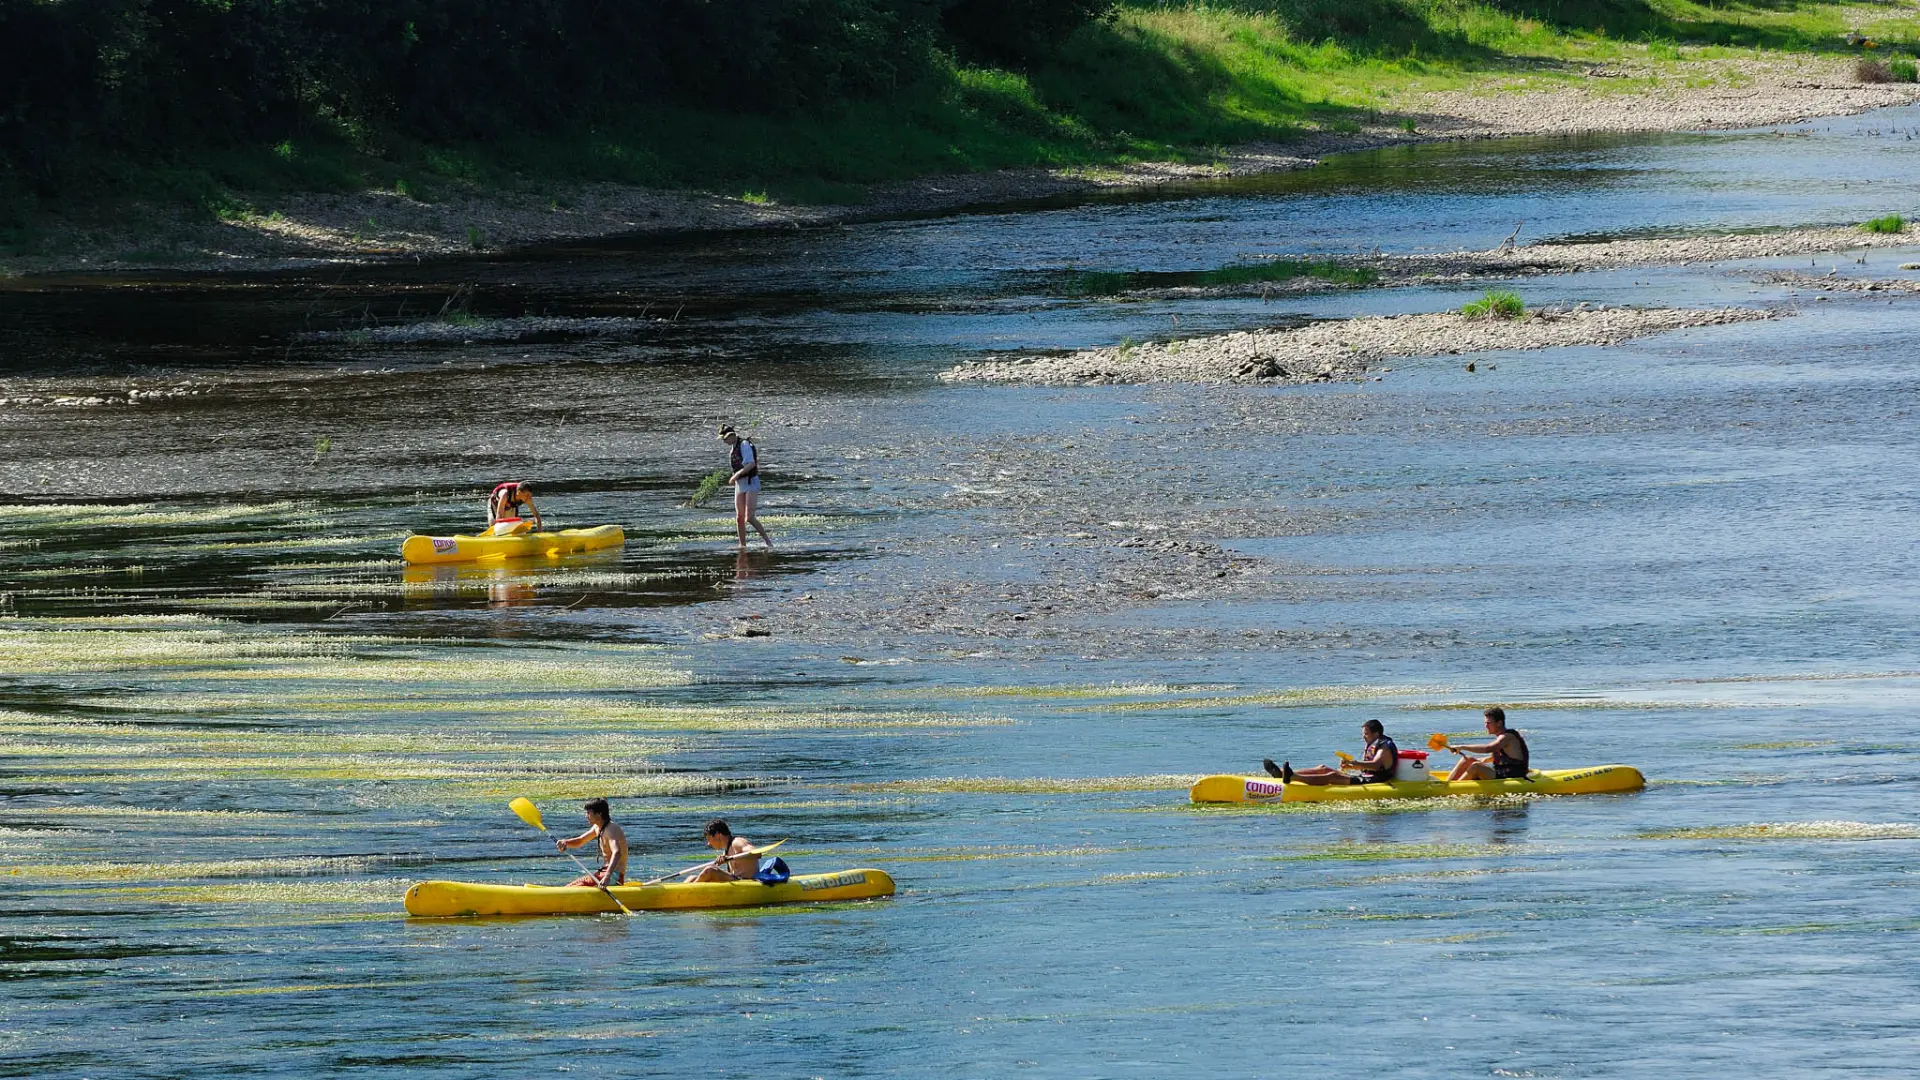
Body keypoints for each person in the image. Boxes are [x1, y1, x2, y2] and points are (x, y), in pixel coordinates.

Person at [1263, 719, 1398, 786]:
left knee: (1331, 775)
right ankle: (1282, 773)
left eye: (1366, 734)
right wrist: (1351, 766)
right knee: (1323, 768)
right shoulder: (1373, 742)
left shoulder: (1384, 746)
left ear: (1376, 733)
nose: (1364, 737)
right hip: (1366, 775)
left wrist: (1354, 763)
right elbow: (1367, 766)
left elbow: (1374, 765)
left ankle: (1293, 778)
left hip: (1375, 781)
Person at [718, 425, 773, 551]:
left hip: (751, 482)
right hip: (740, 484)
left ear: (731, 436)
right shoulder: (732, 449)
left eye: (725, 438)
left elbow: (751, 464)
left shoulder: (744, 445)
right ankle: (742, 545)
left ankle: (768, 542)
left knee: (749, 517)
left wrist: (736, 475)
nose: (724, 441)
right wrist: (735, 477)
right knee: (739, 517)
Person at [1443, 706, 1531, 781]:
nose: (1486, 726)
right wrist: (1485, 759)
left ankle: (1453, 789)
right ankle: (1447, 784)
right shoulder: (1500, 737)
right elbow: (1500, 757)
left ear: (1499, 723)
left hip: (1514, 774)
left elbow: (1488, 748)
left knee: (1476, 766)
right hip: (1501, 770)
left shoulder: (1507, 737)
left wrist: (1462, 747)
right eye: (1485, 723)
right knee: (1467, 759)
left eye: (1489, 723)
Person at [556, 797, 628, 887]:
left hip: (614, 876)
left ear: (599, 814)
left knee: (577, 886)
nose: (586, 816)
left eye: (588, 813)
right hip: (603, 873)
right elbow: (580, 841)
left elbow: (617, 853)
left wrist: (607, 877)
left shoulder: (611, 829)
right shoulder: (597, 827)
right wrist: (565, 842)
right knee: (571, 886)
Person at [690, 818, 758, 883]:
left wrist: (731, 857)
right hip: (736, 879)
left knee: (710, 870)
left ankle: (690, 891)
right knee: (692, 878)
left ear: (717, 835)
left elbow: (757, 853)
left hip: (746, 882)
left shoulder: (737, 842)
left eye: (709, 839)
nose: (708, 844)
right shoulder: (726, 850)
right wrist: (725, 859)